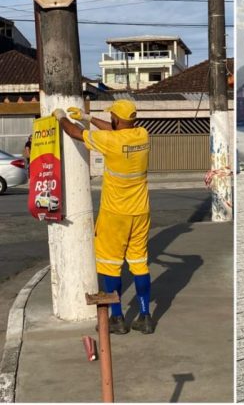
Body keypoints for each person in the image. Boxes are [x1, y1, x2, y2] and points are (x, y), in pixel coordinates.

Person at [53, 100, 154, 334]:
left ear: (116, 119)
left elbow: (74, 133)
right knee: (139, 263)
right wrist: (88, 117)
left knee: (110, 265)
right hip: (141, 212)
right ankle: (145, 316)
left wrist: (61, 116)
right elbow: (115, 131)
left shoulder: (110, 142)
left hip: (115, 214)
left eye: (112, 118)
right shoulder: (142, 134)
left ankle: (117, 318)